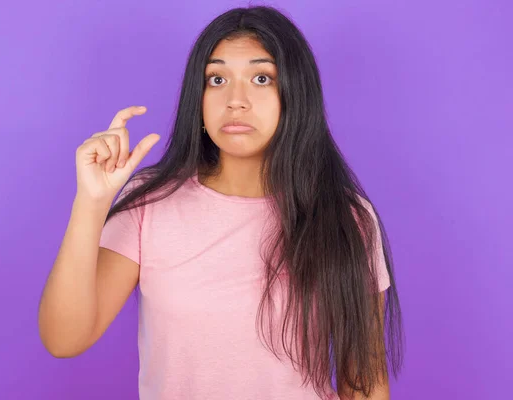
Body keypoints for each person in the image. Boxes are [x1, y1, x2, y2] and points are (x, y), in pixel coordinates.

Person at [38, 5, 403, 400]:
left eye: (261, 78)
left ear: (295, 96)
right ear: (199, 99)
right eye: (217, 79)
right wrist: (91, 203)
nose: (236, 100)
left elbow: (364, 384)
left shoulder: (345, 217)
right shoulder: (150, 204)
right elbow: (64, 339)